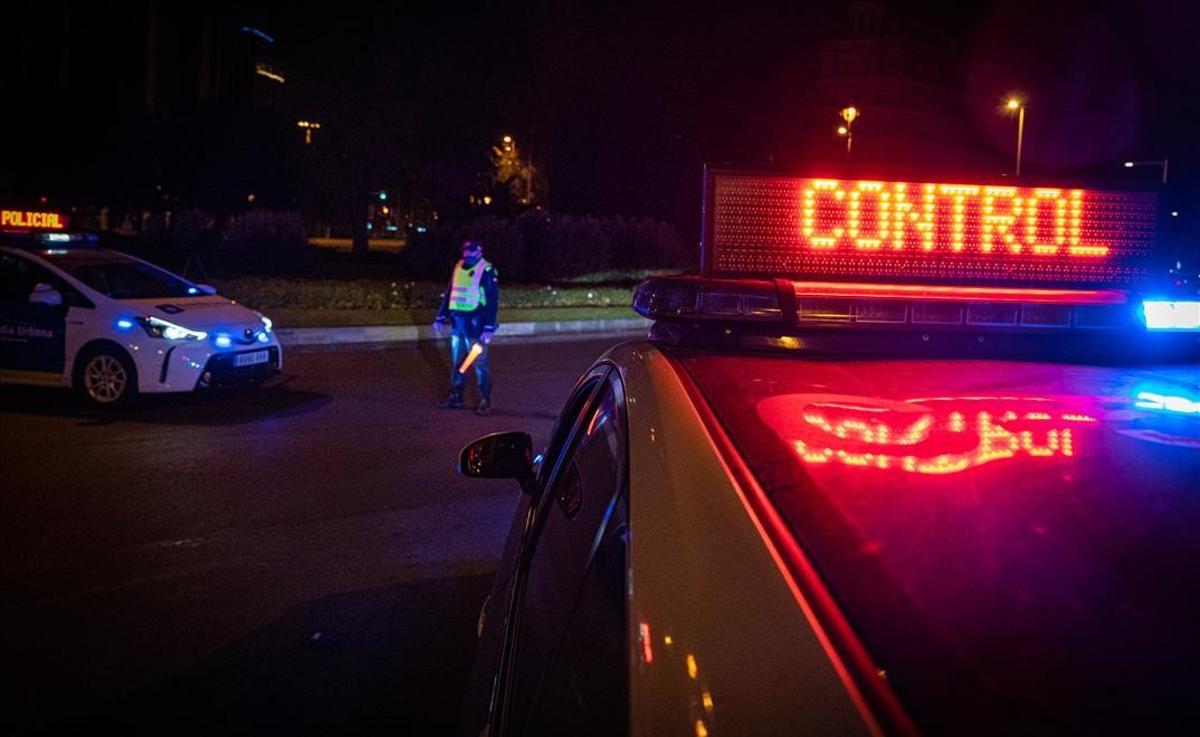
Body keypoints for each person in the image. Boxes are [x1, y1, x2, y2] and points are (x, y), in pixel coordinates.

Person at [433, 240, 499, 415]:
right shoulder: (459, 266)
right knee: (457, 363)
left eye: (471, 252)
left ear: (479, 252)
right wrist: (441, 316)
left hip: (476, 327)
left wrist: (489, 328)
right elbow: (450, 293)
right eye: (466, 251)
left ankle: (485, 400)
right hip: (458, 325)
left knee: (480, 364)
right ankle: (456, 397)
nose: (468, 255)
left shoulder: (486, 270)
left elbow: (492, 300)